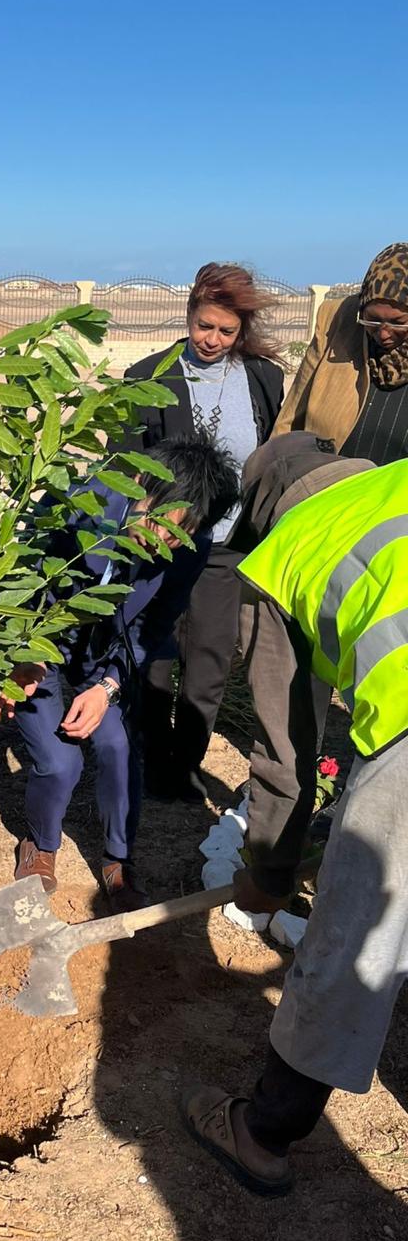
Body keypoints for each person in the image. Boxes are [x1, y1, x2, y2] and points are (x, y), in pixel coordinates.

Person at [183, 443, 408, 1199]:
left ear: (264, 508)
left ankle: (263, 1133)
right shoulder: (396, 484)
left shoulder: (291, 553)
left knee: (349, 946)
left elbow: (286, 757)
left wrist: (271, 876)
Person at [11, 435, 239, 911]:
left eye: (181, 538)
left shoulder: (189, 549)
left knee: (117, 746)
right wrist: (26, 653)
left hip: (105, 653)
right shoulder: (79, 502)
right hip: (39, 643)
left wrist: (106, 687)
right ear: (140, 485)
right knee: (61, 762)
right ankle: (41, 843)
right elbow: (22, 584)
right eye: (162, 527)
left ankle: (118, 857)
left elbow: (151, 629)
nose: (164, 545)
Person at [124, 264, 284, 802]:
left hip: (227, 545)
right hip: (163, 544)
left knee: (211, 659)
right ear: (189, 315)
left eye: (225, 331)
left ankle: (183, 765)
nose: (211, 340)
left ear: (242, 332)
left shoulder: (263, 378)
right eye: (203, 326)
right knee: (154, 652)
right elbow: (122, 462)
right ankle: (149, 754)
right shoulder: (148, 377)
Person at [274, 242, 408, 465]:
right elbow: (290, 419)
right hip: (327, 489)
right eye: (372, 320)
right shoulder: (338, 323)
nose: (384, 333)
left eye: (398, 323)